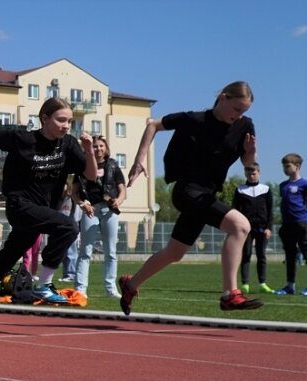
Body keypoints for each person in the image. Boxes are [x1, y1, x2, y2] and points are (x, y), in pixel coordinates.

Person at [119, 81, 262, 315]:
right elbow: (153, 125)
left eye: (244, 112)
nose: (239, 116)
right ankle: (230, 294)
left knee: (174, 253)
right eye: (237, 109)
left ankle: (130, 285)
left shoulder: (245, 126)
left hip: (207, 193)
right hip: (187, 191)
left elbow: (248, 163)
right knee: (240, 226)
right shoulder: (195, 120)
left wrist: (250, 152)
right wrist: (139, 159)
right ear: (223, 98)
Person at [0, 97, 97, 328]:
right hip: (19, 205)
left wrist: (89, 151)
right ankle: (44, 284)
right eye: (61, 120)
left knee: (8, 256)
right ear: (44, 119)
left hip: (42, 210)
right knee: (68, 226)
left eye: (69, 121)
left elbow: (92, 176)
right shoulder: (23, 138)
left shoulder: (69, 144)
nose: (66, 126)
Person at [73, 135, 126, 298]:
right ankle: (81, 289)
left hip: (109, 211)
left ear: (106, 148)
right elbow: (74, 193)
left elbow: (122, 190)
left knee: (111, 251)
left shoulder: (113, 166)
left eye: (101, 146)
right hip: (91, 210)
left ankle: (110, 289)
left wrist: (119, 200)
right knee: (85, 251)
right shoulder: (82, 167)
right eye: (95, 146)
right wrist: (83, 204)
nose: (98, 149)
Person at [232, 162, 275, 294]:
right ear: (245, 173)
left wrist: (269, 228)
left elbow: (270, 210)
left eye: (254, 173)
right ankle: (245, 284)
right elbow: (235, 210)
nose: (251, 176)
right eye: (249, 173)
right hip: (246, 229)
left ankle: (263, 283)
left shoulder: (266, 189)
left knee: (261, 256)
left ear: (259, 173)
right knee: (246, 255)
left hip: (262, 228)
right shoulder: (240, 190)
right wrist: (237, 227)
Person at [274, 153, 307, 295]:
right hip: (287, 225)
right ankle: (290, 286)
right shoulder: (283, 185)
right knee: (290, 256)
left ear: (297, 166)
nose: (285, 169)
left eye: (288, 166)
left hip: (302, 223)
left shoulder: (304, 184)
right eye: (284, 166)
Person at [58, 181, 81, 283]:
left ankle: (71, 274)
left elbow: (77, 214)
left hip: (70, 227)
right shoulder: (59, 199)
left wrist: (74, 225)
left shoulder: (72, 199)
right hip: (60, 227)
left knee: (71, 252)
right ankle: (66, 274)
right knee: (64, 253)